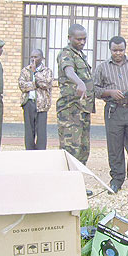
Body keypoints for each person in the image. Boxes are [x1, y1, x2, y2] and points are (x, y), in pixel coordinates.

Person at [94, 36, 128, 193]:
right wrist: (110, 92)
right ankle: (117, 179)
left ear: (125, 49)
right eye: (115, 50)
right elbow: (95, 89)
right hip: (113, 110)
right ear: (110, 50)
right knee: (115, 147)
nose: (118, 53)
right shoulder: (102, 67)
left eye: (121, 50)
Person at [56, 23, 95, 165]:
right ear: (69, 38)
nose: (82, 42)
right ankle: (67, 184)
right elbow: (69, 71)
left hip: (83, 109)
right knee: (70, 150)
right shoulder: (66, 54)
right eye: (78, 39)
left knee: (83, 150)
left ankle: (78, 183)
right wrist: (79, 82)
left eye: (84, 39)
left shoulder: (81, 55)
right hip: (70, 110)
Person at [18, 49, 53, 150]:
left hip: (42, 104)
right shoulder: (25, 70)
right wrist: (36, 84)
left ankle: (40, 152)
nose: (33, 59)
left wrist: (35, 73)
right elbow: (22, 85)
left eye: (36, 57)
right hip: (28, 103)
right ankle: (29, 151)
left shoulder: (47, 71)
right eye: (32, 57)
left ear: (41, 58)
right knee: (29, 130)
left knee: (41, 131)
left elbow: (47, 84)